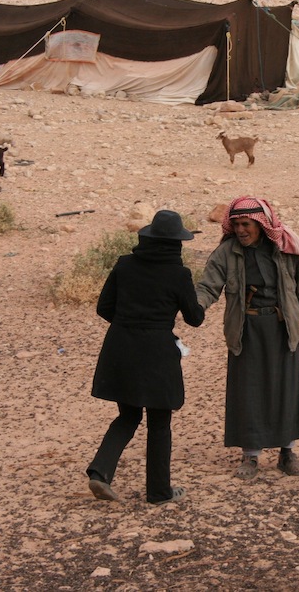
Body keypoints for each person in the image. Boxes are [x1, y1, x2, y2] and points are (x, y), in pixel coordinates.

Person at [196, 196, 299, 479]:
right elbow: (208, 286)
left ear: (260, 225)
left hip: (282, 329)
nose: (241, 230)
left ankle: (287, 453)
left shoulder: (284, 249)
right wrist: (195, 306)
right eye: (237, 224)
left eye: (246, 225)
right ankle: (250, 456)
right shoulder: (227, 252)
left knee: (286, 389)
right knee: (249, 391)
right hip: (247, 330)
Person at [86, 210, 204, 504]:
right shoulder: (179, 274)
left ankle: (100, 473)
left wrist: (129, 324)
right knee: (160, 423)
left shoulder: (125, 265)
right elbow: (194, 318)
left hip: (121, 347)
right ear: (176, 242)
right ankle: (159, 492)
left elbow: (104, 307)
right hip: (158, 353)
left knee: (127, 416)